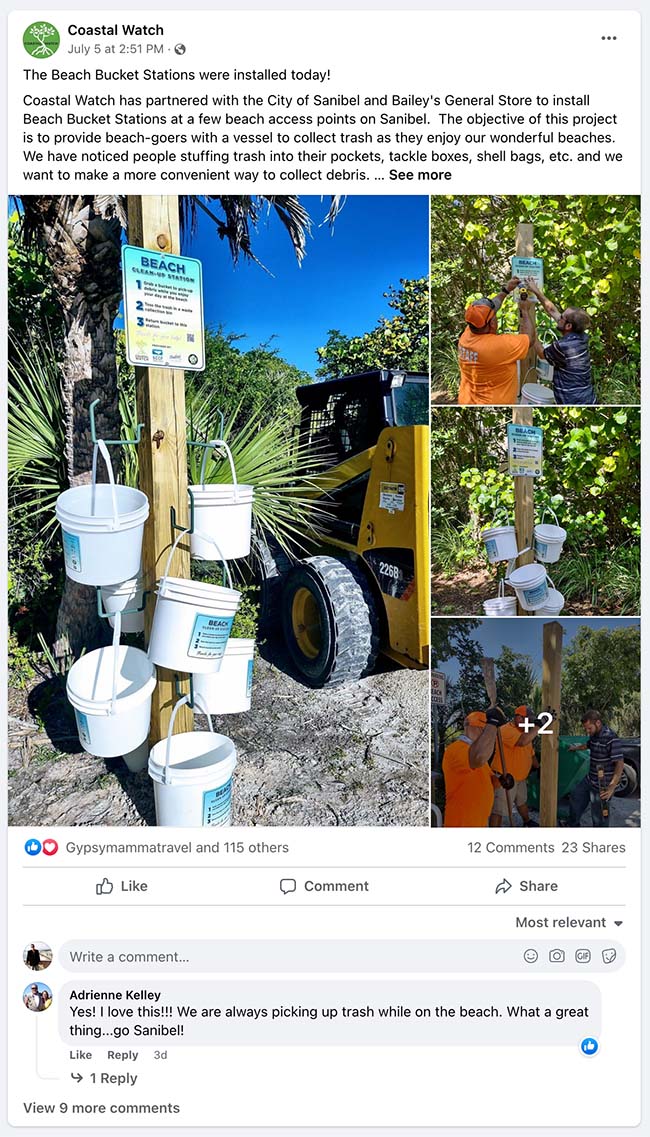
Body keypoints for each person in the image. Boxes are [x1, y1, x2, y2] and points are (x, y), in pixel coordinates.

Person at [457, 277, 535, 405]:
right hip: (494, 404)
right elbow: (530, 339)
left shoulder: (468, 333)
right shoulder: (497, 346)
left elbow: (488, 310)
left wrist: (506, 290)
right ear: (492, 323)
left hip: (467, 401)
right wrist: (525, 311)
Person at [523, 277, 596, 405]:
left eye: (562, 317)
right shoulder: (581, 336)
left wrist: (526, 316)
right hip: (587, 397)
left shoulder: (563, 346)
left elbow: (541, 353)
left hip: (572, 399)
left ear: (568, 326)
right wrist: (536, 290)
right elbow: (552, 310)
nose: (559, 316)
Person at [442, 707, 508, 827]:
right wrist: (492, 723)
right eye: (486, 731)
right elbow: (478, 757)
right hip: (462, 823)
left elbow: (491, 782)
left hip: (479, 821)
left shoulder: (475, 751)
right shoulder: (456, 750)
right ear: (477, 728)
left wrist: (501, 780)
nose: (490, 739)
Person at [490, 705, 543, 828]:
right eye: (527, 719)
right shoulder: (505, 730)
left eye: (531, 720)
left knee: (521, 802)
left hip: (520, 779)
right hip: (505, 778)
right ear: (519, 718)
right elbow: (522, 741)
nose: (529, 722)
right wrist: (538, 726)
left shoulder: (526, 733)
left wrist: (538, 767)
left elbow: (531, 754)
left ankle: (527, 821)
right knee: (498, 810)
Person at [567, 710, 622, 827]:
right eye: (586, 729)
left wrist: (612, 786)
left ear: (598, 723)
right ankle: (572, 825)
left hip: (603, 785)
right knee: (575, 796)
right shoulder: (594, 735)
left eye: (589, 728)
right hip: (589, 779)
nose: (587, 731)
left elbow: (620, 764)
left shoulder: (611, 738)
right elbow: (588, 745)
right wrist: (575, 748)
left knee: (599, 818)